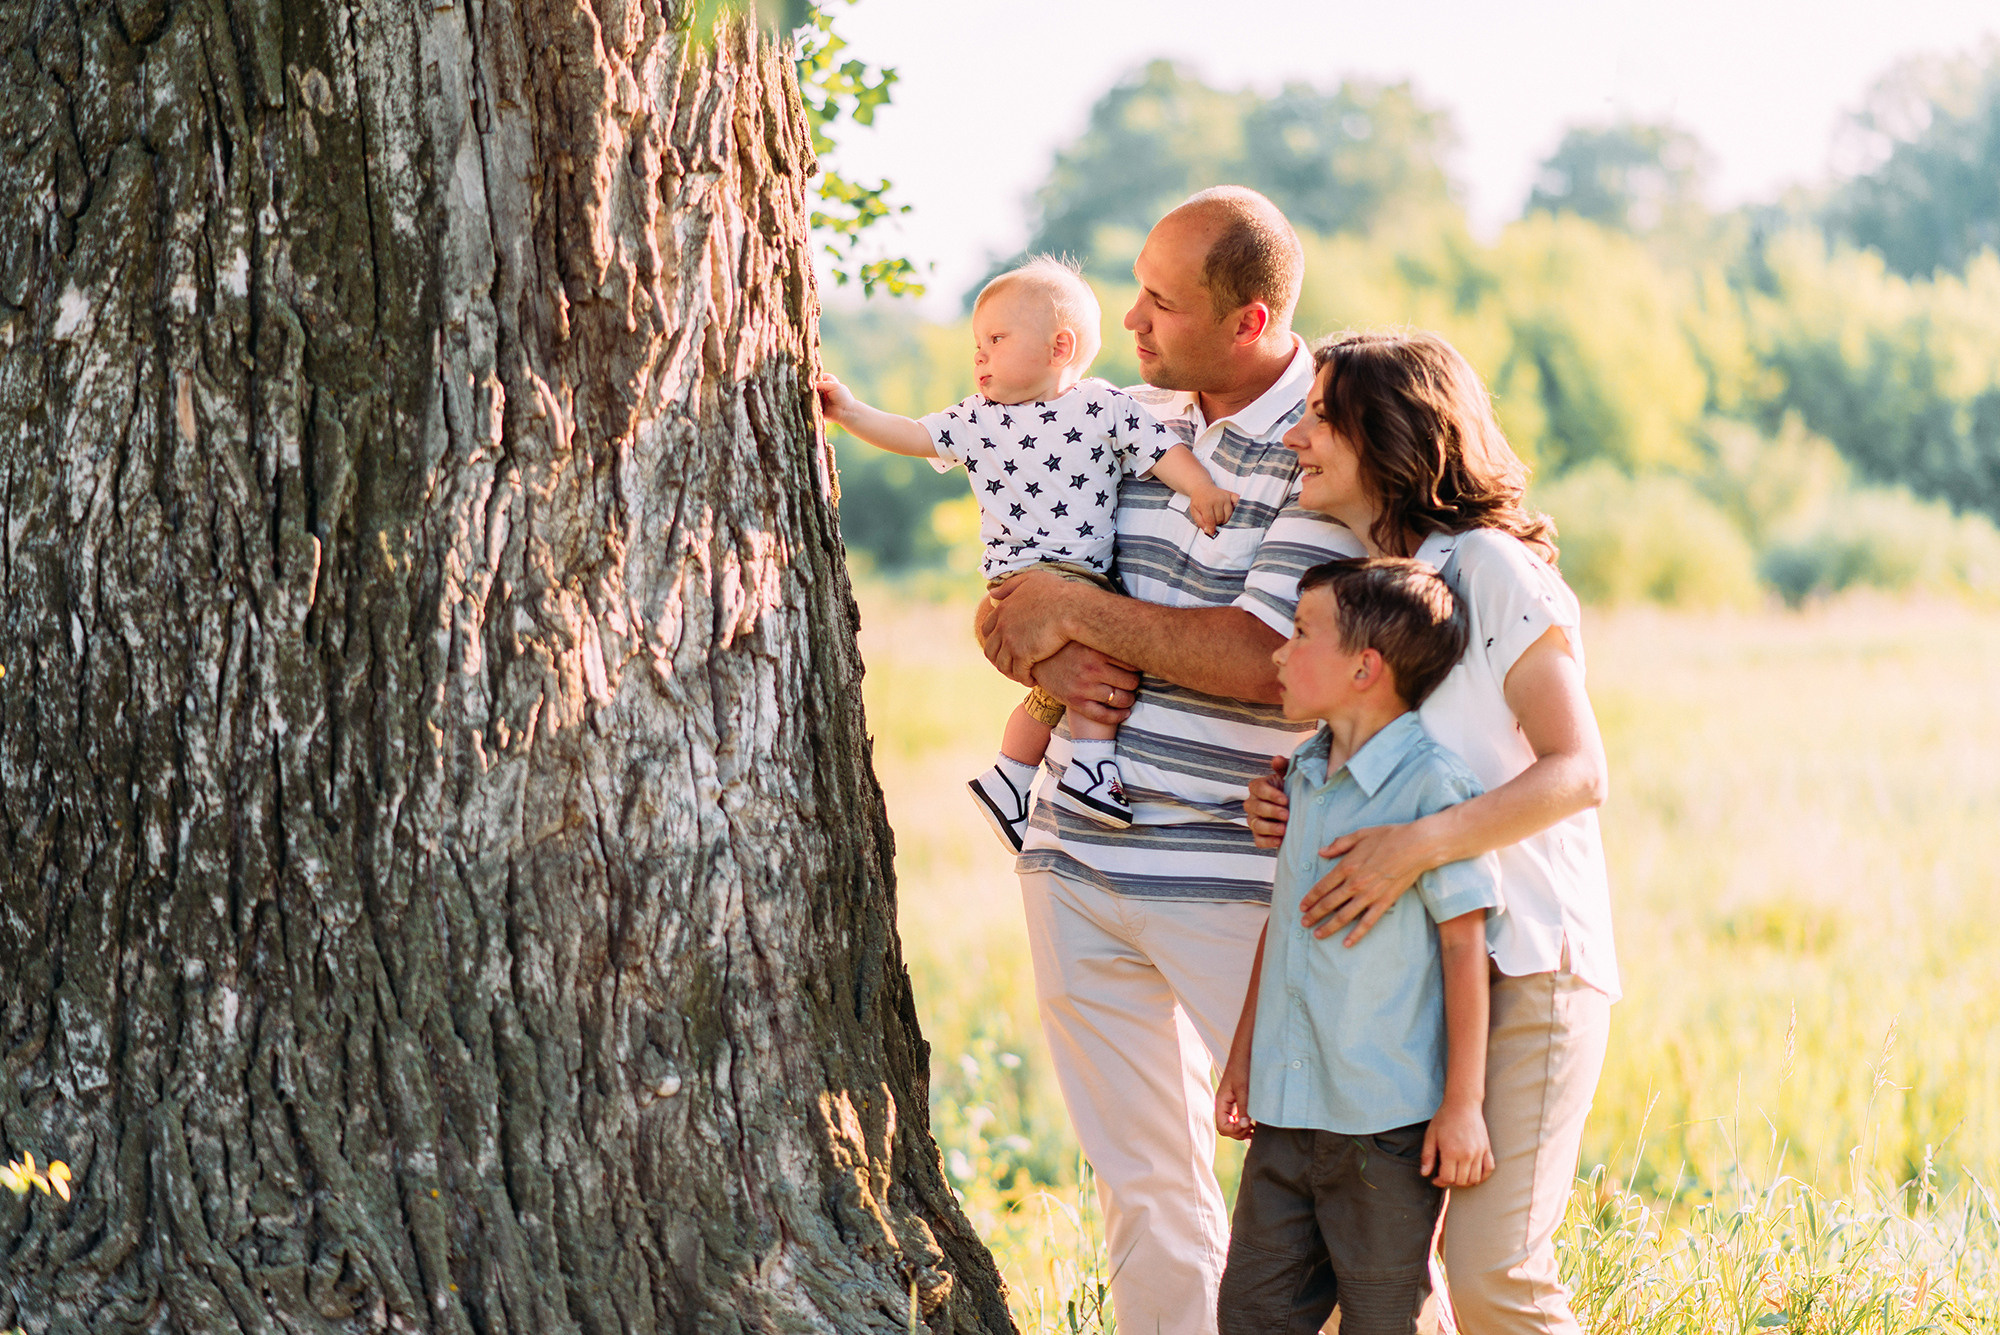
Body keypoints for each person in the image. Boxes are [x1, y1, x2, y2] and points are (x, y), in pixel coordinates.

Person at [977, 187, 1364, 1335]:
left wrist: (1071, 617)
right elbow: (1016, 595)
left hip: (1232, 875)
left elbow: (1261, 656)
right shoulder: (1120, 413)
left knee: (1326, 1176)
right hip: (1076, 862)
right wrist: (1035, 632)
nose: (1130, 320)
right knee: (1143, 1192)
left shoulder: (1329, 444)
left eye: (1160, 301)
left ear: (1247, 321)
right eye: (1134, 287)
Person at [1248, 328, 1620, 1335]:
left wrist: (1412, 847)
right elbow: (1388, 771)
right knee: (1383, 1277)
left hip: (1527, 960)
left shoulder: (1490, 567)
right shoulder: (1369, 592)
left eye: (1320, 416)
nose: (1294, 436)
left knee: (1492, 1272)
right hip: (1397, 984)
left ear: (1390, 430)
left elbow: (1575, 770)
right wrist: (1296, 800)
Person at [815, 257, 1240, 843]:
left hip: (1079, 575)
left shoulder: (1102, 404)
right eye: (977, 344)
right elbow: (913, 435)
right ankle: (1092, 767)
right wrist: (851, 412)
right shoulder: (978, 419)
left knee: (1065, 682)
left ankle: (1010, 775)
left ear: (1058, 346)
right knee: (1106, 664)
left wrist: (1202, 489)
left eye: (995, 339)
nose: (979, 355)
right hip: (1021, 578)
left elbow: (1161, 451)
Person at [1214, 557, 1502, 1335]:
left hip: (1384, 1129)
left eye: (1301, 633)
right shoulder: (1301, 773)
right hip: (1285, 1114)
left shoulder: (1431, 786)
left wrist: (1463, 1105)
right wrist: (1243, 1055)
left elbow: (1464, 945)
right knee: (1250, 1314)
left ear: (1365, 667)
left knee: (1383, 1320)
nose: (1278, 650)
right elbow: (1286, 919)